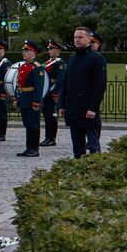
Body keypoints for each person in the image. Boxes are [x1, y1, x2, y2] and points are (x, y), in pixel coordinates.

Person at [61, 26, 106, 157]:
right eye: (75, 37)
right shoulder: (72, 59)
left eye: (80, 37)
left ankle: (95, 171)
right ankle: (78, 173)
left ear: (88, 39)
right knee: (77, 147)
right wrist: (62, 105)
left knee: (93, 146)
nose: (77, 40)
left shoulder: (97, 59)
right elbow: (66, 84)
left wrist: (93, 108)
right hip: (73, 109)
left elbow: (100, 86)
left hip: (88, 110)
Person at [14, 40, 48, 158]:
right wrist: (17, 98)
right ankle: (28, 148)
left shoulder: (37, 68)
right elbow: (19, 84)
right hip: (24, 99)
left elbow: (39, 87)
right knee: (27, 125)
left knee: (34, 125)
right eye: (23, 51)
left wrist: (36, 102)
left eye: (27, 51)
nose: (24, 53)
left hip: (32, 99)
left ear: (33, 53)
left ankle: (35, 149)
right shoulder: (23, 66)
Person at [41, 39, 66, 146]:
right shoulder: (49, 62)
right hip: (46, 92)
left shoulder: (59, 63)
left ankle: (52, 138)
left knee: (52, 116)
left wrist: (55, 92)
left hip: (52, 93)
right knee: (46, 116)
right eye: (49, 49)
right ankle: (47, 137)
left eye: (51, 49)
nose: (49, 51)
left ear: (57, 50)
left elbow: (60, 80)